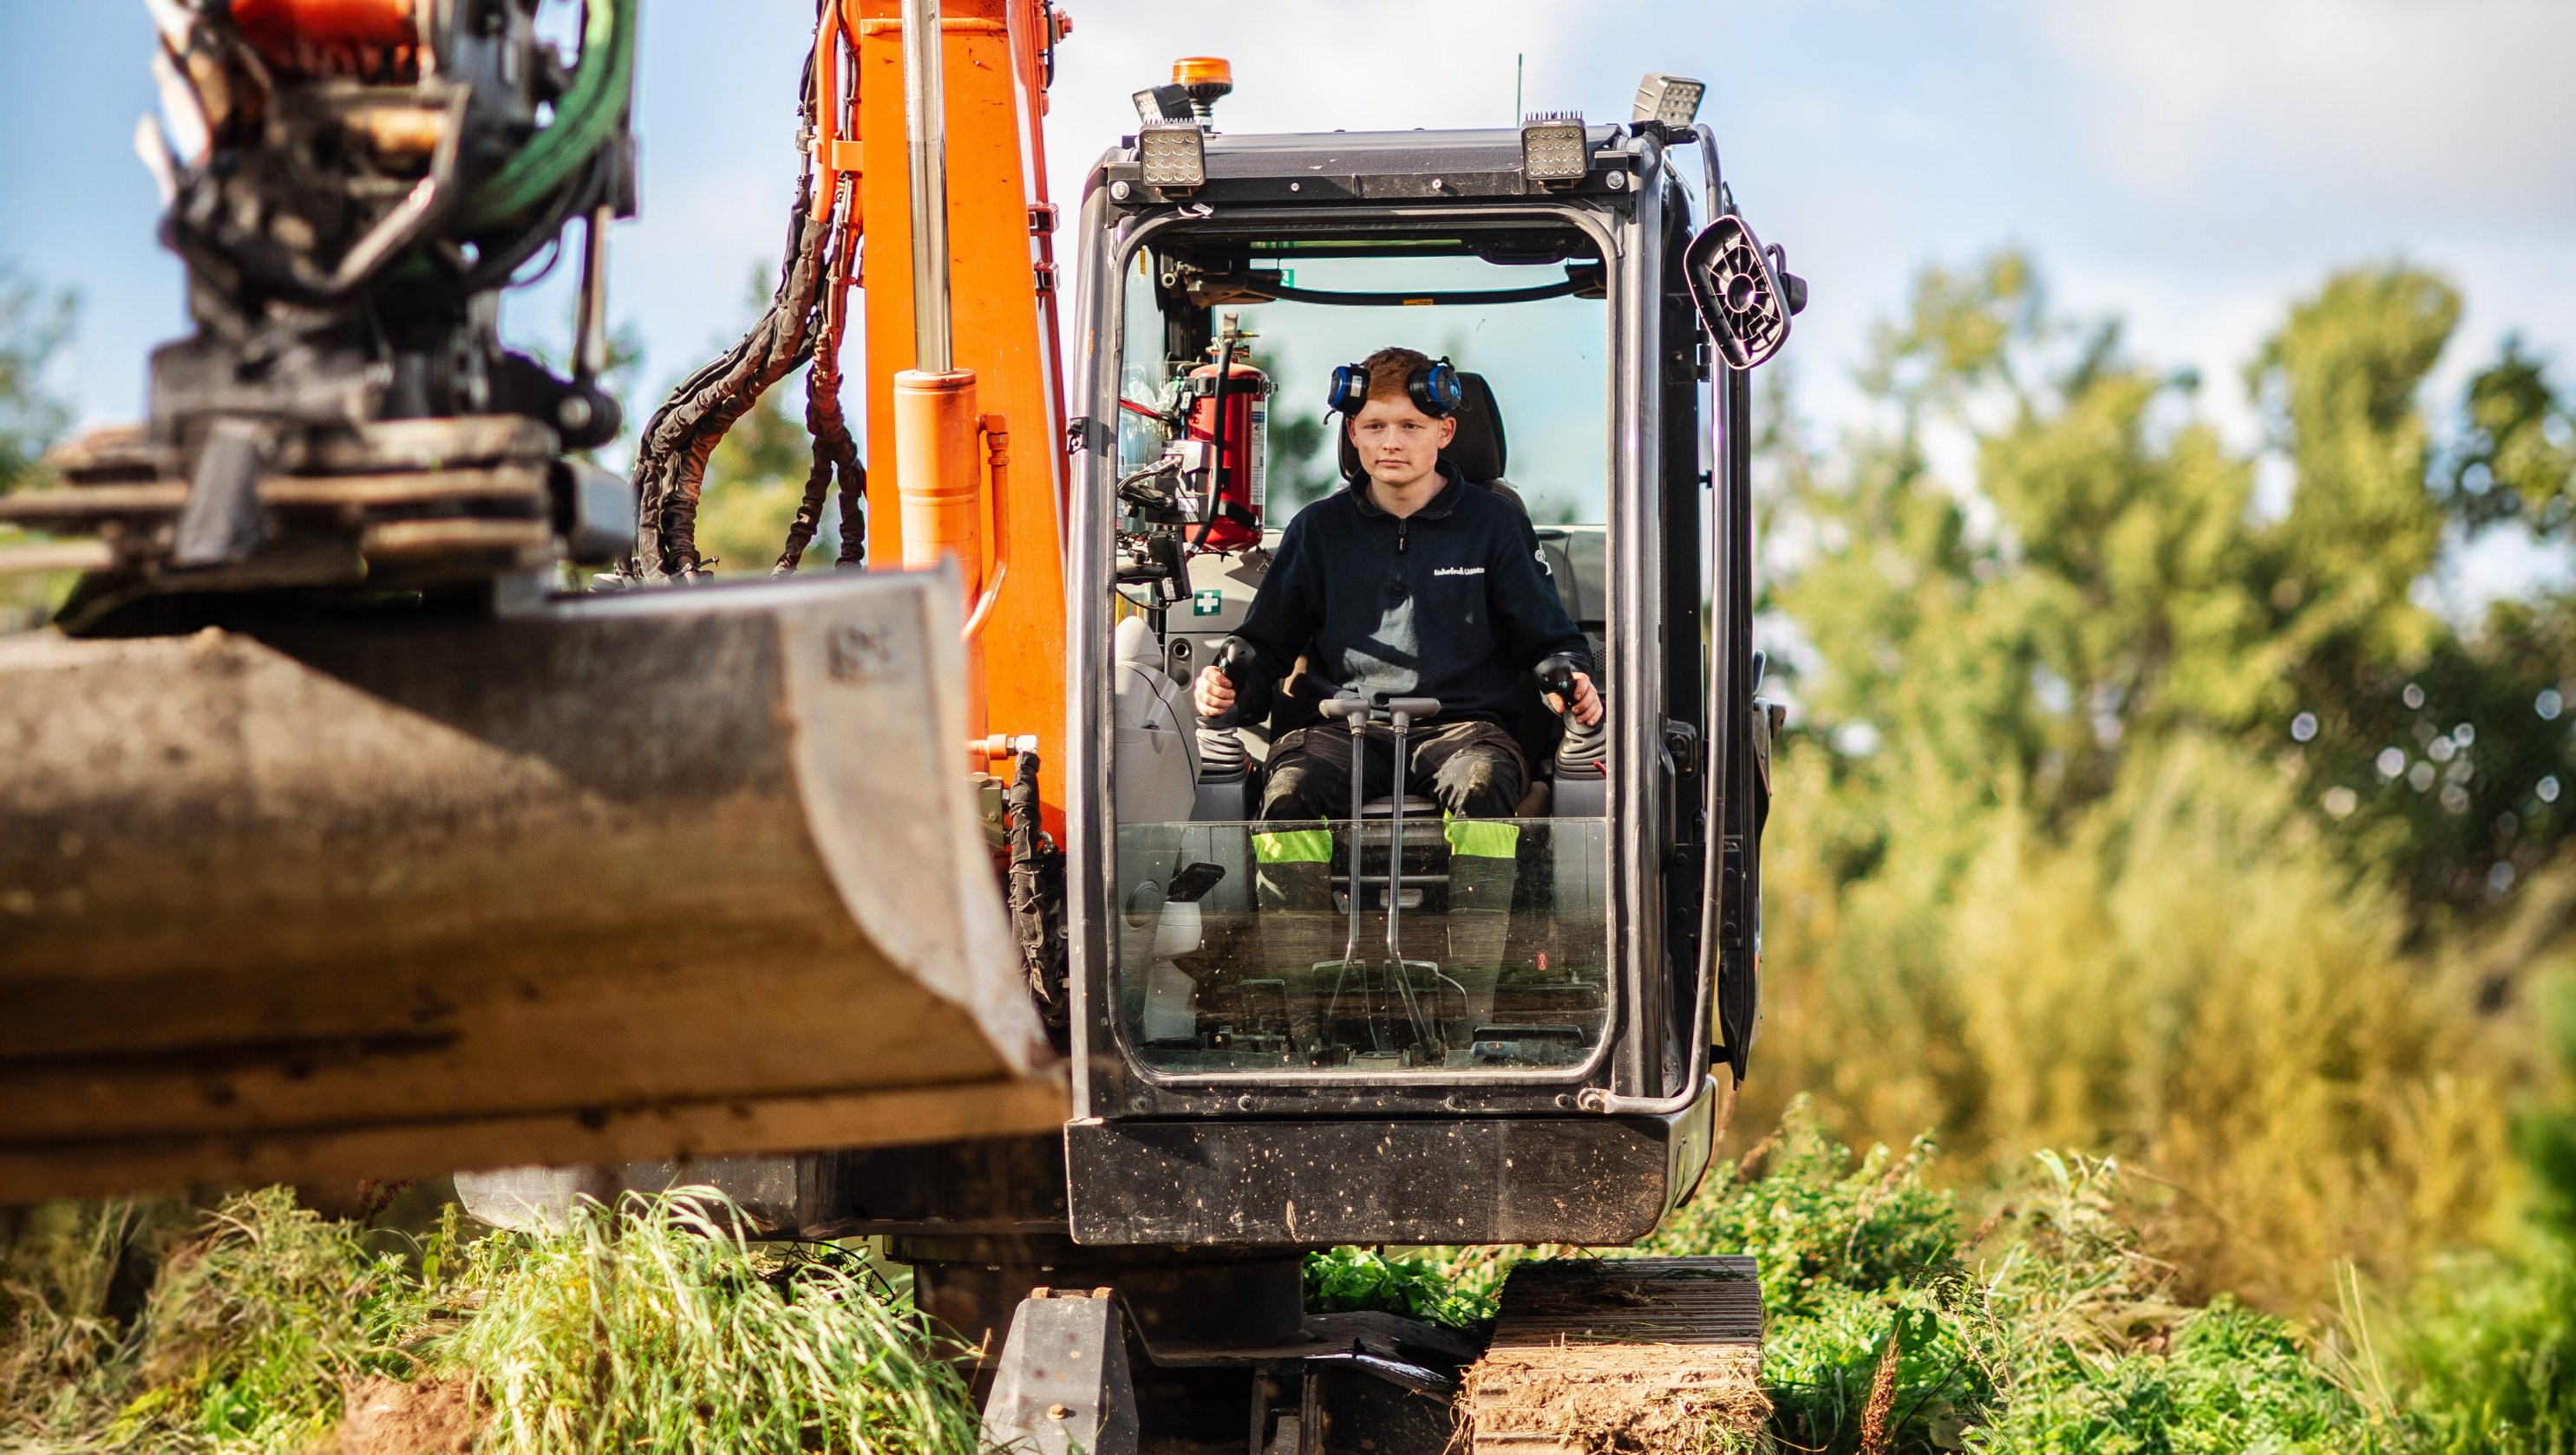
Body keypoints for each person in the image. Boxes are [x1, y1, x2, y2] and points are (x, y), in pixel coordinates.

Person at [1193, 346, 1600, 1034]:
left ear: (1446, 431)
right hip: (1342, 727)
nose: (1392, 442)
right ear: (1351, 433)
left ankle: (1468, 1003)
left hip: (1463, 727)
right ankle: (1302, 1013)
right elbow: (1262, 646)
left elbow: (1548, 638)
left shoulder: (1495, 527)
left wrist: (1570, 680)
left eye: (1411, 426)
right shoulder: (1317, 532)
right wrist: (1229, 689)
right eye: (1376, 425)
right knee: (1287, 792)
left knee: (1482, 782)